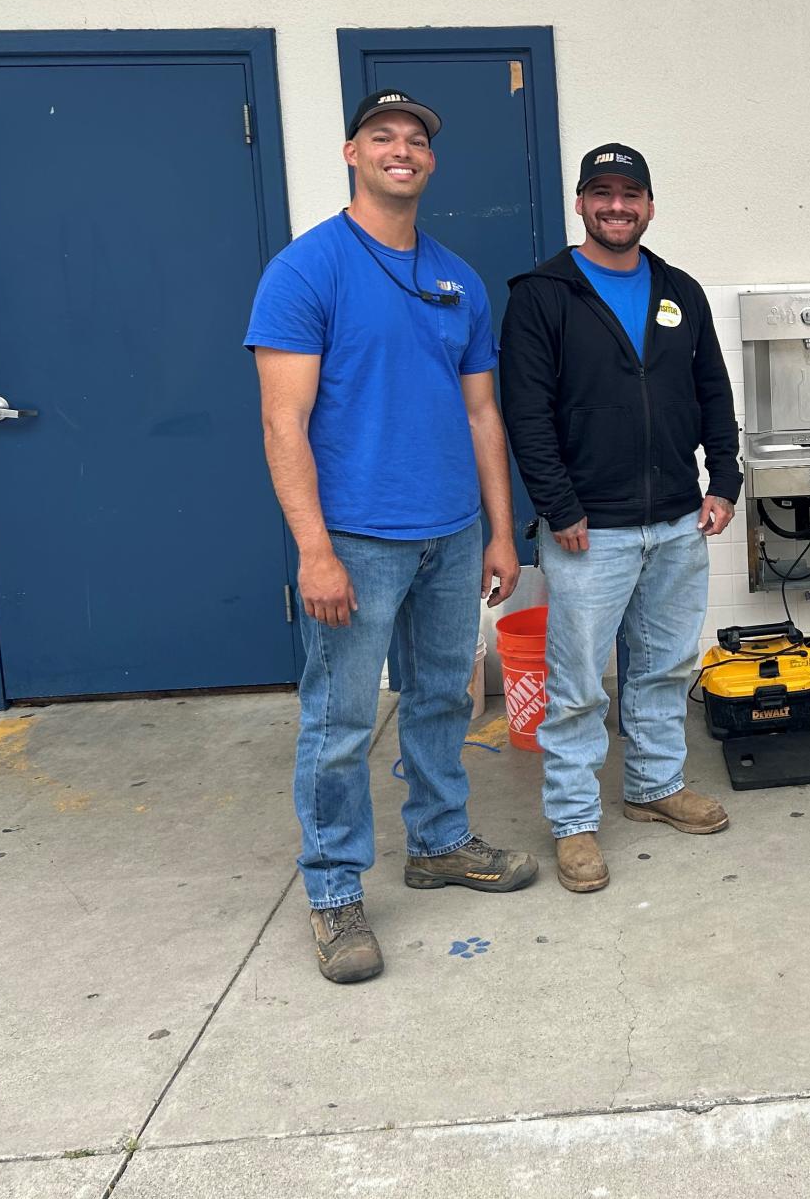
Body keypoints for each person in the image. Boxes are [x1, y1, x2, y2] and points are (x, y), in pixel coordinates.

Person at [247, 89, 539, 985]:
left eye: (416, 139)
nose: (401, 150)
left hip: (452, 534)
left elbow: (482, 414)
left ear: (431, 161)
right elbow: (283, 423)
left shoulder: (457, 278)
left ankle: (439, 842)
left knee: (444, 697)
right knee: (339, 722)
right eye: (383, 137)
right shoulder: (307, 271)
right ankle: (335, 890)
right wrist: (315, 551)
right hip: (357, 541)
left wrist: (501, 533)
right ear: (352, 154)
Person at [498, 143, 740, 894]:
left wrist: (725, 479)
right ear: (580, 203)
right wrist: (558, 505)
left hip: (677, 520)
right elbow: (526, 413)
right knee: (578, 685)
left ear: (649, 206)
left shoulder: (679, 290)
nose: (616, 206)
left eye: (629, 194)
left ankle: (654, 786)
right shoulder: (543, 294)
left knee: (665, 666)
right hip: (587, 529)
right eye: (601, 192)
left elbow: (712, 391)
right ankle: (574, 821)